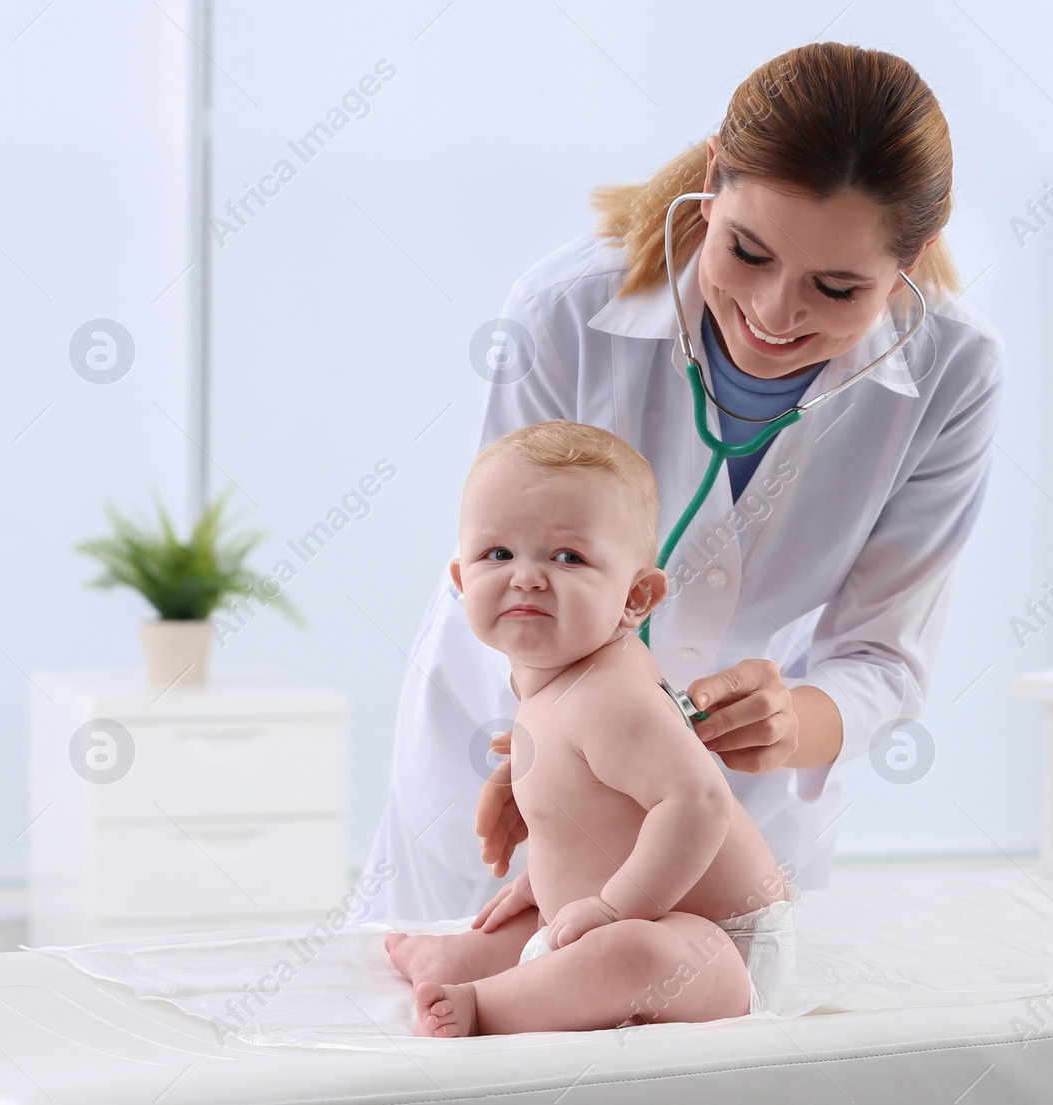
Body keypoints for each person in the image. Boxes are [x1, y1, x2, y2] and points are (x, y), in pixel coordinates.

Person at [365, 41, 1004, 922]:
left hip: (733, 800)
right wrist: (575, 740)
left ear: (914, 258)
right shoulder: (564, 312)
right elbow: (505, 557)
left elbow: (885, 653)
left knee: (702, 1029)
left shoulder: (955, 374)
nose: (777, 314)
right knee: (467, 1016)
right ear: (713, 179)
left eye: (838, 287)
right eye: (746, 250)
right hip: (518, 751)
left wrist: (793, 720)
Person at [385, 420, 796, 1036]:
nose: (525, 575)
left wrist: (614, 904)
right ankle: (449, 960)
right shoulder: (552, 678)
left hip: (719, 948)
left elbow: (698, 802)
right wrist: (553, 879)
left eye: (567, 557)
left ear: (636, 599)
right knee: (527, 924)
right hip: (639, 903)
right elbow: (600, 808)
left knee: (627, 955)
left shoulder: (612, 693)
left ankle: (487, 1006)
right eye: (498, 553)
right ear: (462, 580)